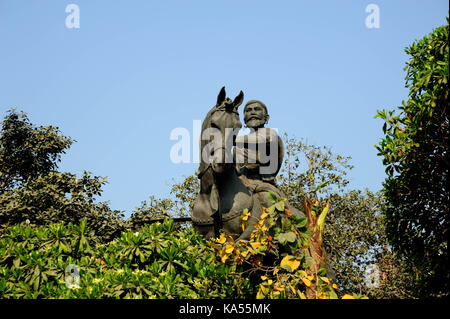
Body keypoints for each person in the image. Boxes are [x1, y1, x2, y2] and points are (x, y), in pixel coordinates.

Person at [234, 100, 303, 217]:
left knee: (270, 204)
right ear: (244, 119)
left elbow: (261, 140)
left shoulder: (270, 135)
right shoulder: (239, 144)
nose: (252, 112)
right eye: (248, 110)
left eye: (257, 109)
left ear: (266, 118)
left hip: (263, 185)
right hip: (241, 185)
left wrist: (230, 140)